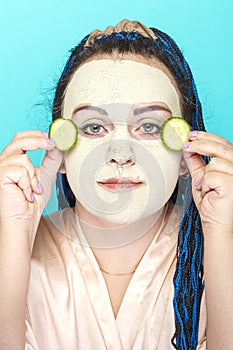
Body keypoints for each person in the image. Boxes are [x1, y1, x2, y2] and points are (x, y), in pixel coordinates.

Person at [0, 19, 232, 350]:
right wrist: (13, 233)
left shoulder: (215, 247)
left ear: (186, 155)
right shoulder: (14, 248)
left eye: (150, 127)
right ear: (60, 151)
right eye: (93, 127)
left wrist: (222, 232)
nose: (120, 154)